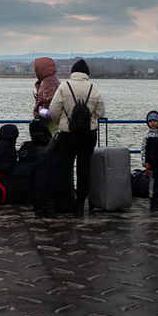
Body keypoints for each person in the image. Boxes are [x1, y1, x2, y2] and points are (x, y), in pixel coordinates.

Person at [49, 59, 105, 213]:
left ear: (72, 72)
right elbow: (100, 113)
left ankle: (66, 201)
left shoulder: (64, 87)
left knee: (65, 168)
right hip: (89, 133)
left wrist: (61, 122)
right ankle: (81, 203)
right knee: (84, 167)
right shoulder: (94, 88)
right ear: (87, 73)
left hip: (68, 133)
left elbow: (54, 110)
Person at [33, 57, 61, 138]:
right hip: (51, 122)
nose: (35, 71)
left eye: (36, 69)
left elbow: (52, 101)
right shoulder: (52, 80)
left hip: (48, 122)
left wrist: (42, 111)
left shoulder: (47, 83)